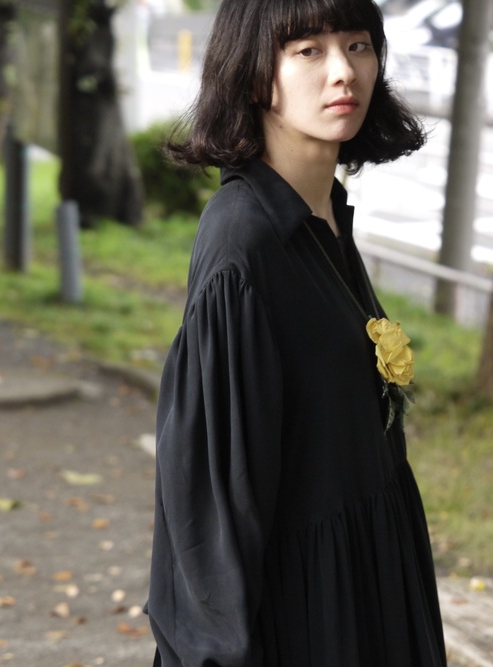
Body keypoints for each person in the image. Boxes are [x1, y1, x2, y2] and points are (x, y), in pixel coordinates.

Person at [145, 0, 447, 665]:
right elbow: (211, 510)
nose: (344, 71)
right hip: (308, 617)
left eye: (359, 45)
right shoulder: (245, 248)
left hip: (372, 587)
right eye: (309, 50)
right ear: (255, 74)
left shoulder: (323, 214)